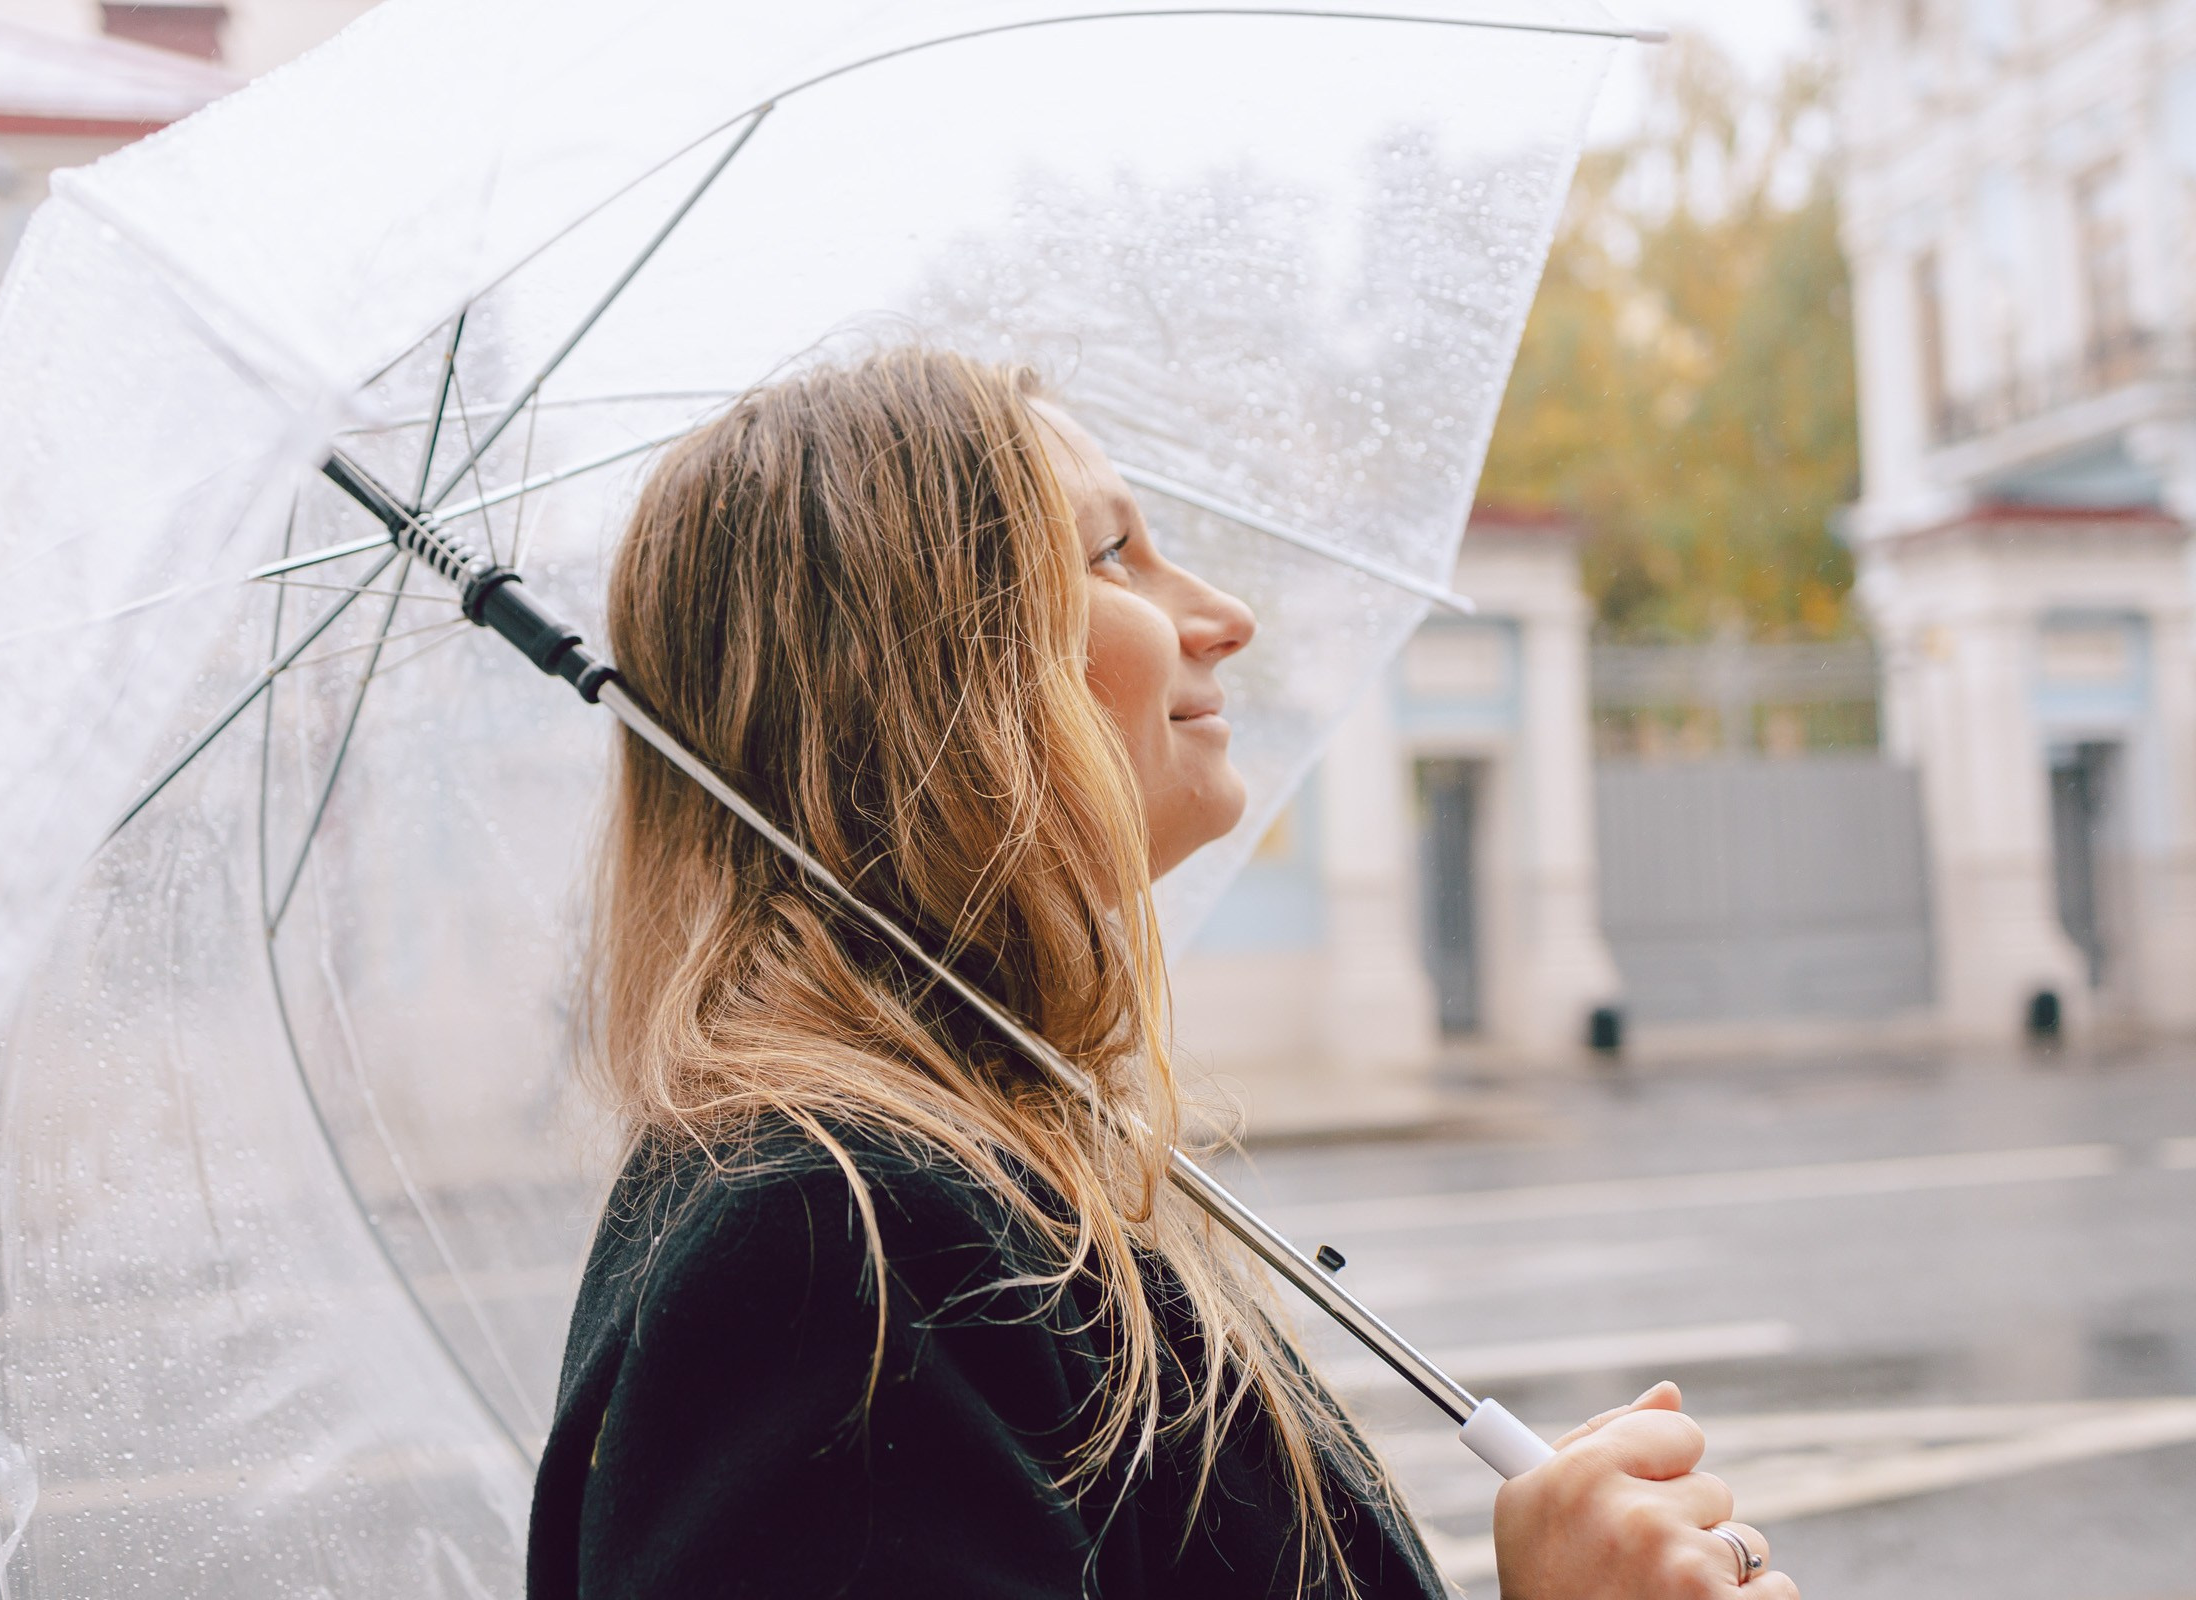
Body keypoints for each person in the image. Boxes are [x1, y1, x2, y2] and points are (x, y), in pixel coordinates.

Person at [526, 348, 1795, 1600]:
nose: (1224, 617)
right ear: (934, 670)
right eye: (1113, 553)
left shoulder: (971, 1167)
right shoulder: (829, 1250)